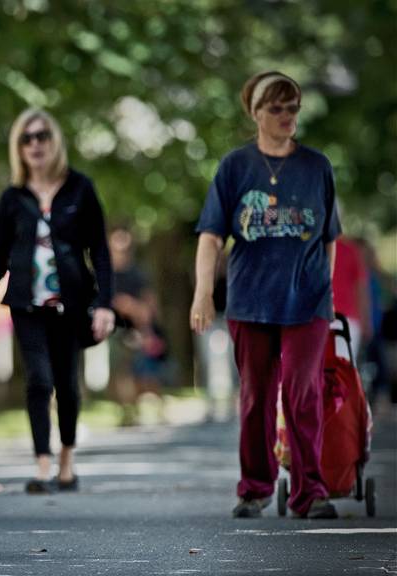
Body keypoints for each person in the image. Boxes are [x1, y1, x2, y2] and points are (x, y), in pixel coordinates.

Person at [190, 71, 340, 519]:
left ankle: (310, 491)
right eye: (276, 108)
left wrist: (325, 291)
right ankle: (255, 487)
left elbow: (328, 237)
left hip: (307, 302)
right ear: (256, 113)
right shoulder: (235, 166)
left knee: (303, 393)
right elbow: (211, 237)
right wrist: (202, 293)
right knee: (256, 395)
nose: (287, 116)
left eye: (293, 107)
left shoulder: (317, 166)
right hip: (251, 300)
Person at [0, 108, 115, 494]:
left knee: (67, 384)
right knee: (39, 381)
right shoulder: (12, 198)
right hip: (27, 305)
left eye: (42, 136)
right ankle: (42, 463)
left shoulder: (80, 188)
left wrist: (105, 304)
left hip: (72, 304)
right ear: (18, 148)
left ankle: (66, 461)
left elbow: (101, 251)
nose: (35, 144)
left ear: (54, 141)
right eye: (27, 138)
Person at [108, 226, 167, 426]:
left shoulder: (138, 273)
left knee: (145, 371)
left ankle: (158, 408)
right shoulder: (105, 273)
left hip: (138, 328)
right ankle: (127, 411)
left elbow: (148, 301)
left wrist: (149, 327)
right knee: (120, 370)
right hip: (114, 328)